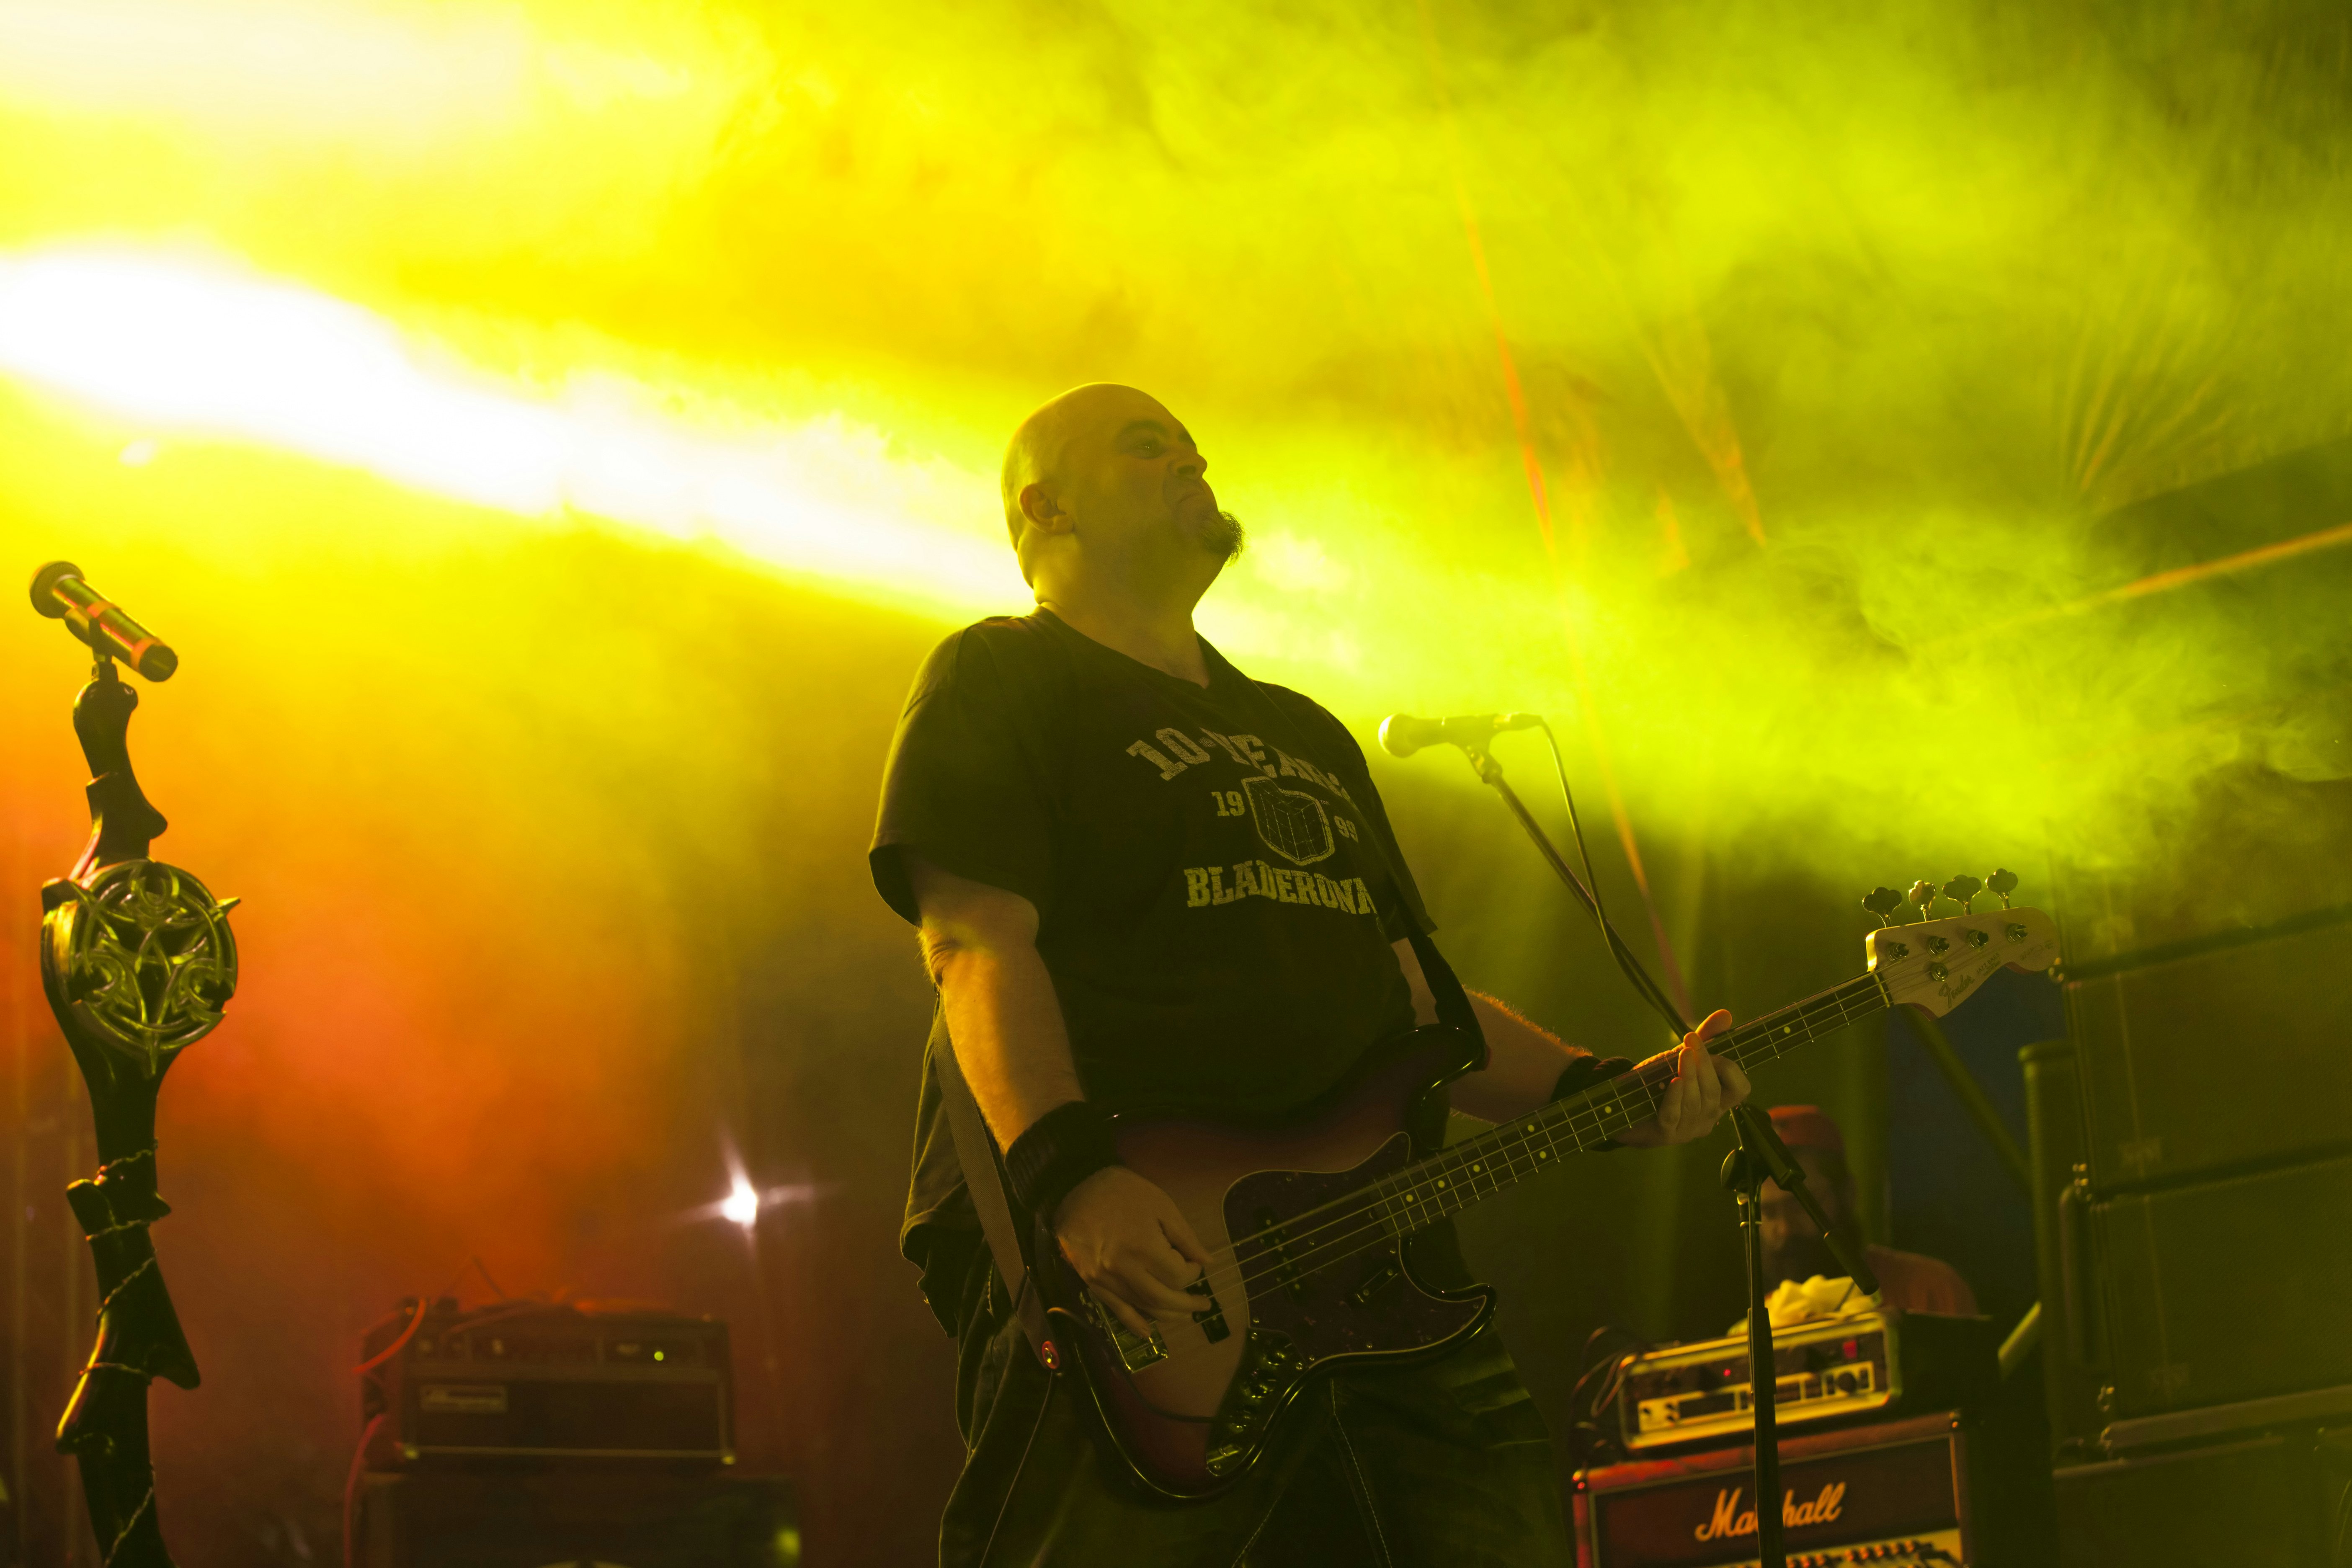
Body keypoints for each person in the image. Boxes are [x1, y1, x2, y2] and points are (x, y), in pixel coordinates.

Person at [869, 382, 1754, 1567]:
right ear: (1047, 506)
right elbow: (973, 943)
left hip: (1384, 1286)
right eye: (1149, 448)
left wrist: (1606, 1095)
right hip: (1143, 1268)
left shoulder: (1301, 731)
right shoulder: (1000, 678)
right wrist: (1074, 1181)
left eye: (1196, 446)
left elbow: (1416, 1006)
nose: (1192, 461)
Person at [1759, 1104, 1978, 1317]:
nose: (1786, 1228)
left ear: (1848, 1194)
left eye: (1801, 1205)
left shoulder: (1929, 1290)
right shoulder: (1760, 1326)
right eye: (1769, 1212)